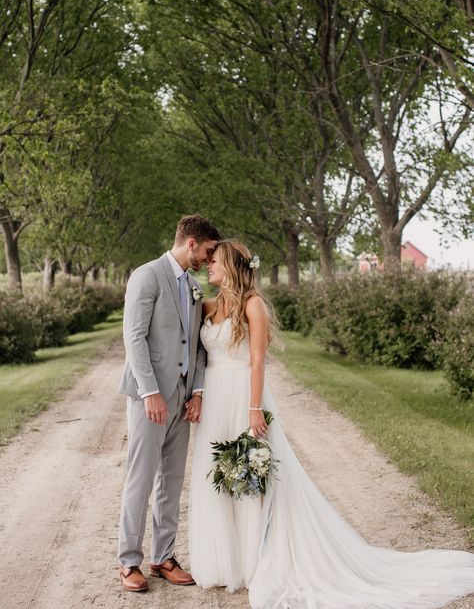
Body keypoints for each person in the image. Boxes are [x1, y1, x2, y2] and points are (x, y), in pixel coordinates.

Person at [189, 239, 474, 609]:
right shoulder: (208, 305)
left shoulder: (252, 305)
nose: (208, 265)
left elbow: (258, 362)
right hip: (214, 401)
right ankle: (228, 561)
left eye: (214, 261)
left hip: (243, 397)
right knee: (219, 477)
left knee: (254, 480)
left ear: (232, 266)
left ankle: (256, 560)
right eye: (207, 260)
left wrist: (254, 409)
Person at [118, 214, 220, 592]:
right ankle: (129, 561)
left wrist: (197, 391)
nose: (209, 261)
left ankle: (163, 556)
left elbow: (198, 346)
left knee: (172, 481)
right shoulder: (146, 275)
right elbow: (134, 339)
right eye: (208, 252)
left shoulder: (193, 288)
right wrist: (150, 392)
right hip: (151, 398)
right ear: (191, 242)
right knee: (140, 478)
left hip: (181, 399)